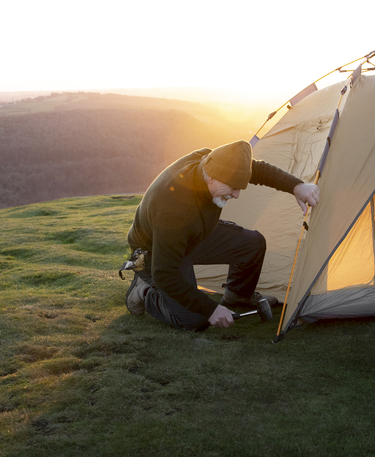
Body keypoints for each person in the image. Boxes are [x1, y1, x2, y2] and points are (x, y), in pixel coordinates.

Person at [124, 140, 319, 331]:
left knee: (252, 243)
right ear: (210, 177)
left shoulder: (213, 161)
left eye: (239, 188)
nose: (236, 195)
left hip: (193, 234)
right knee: (195, 320)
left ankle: (238, 296)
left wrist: (296, 186)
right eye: (232, 188)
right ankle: (143, 290)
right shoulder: (174, 208)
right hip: (157, 251)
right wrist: (211, 309)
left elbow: (257, 169)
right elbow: (164, 273)